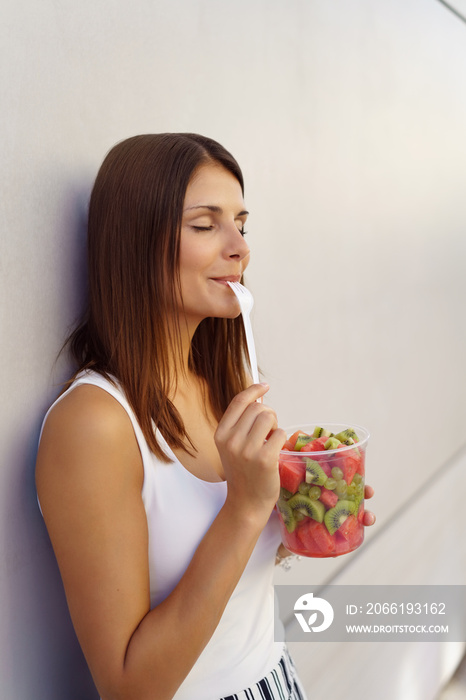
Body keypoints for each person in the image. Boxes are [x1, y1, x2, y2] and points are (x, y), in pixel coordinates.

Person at [36, 133, 375, 700]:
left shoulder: (224, 384)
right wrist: (245, 509)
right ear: (137, 242)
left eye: (242, 222)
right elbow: (128, 688)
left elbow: (231, 572)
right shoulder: (94, 425)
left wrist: (299, 518)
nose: (240, 246)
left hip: (277, 680)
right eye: (205, 224)